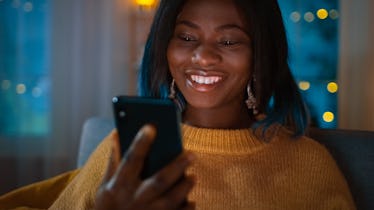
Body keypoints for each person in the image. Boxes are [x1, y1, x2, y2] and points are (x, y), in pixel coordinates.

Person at [0, 0, 356, 209]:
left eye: (230, 41)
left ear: (261, 55)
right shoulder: (130, 151)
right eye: (186, 37)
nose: (202, 55)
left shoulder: (308, 165)